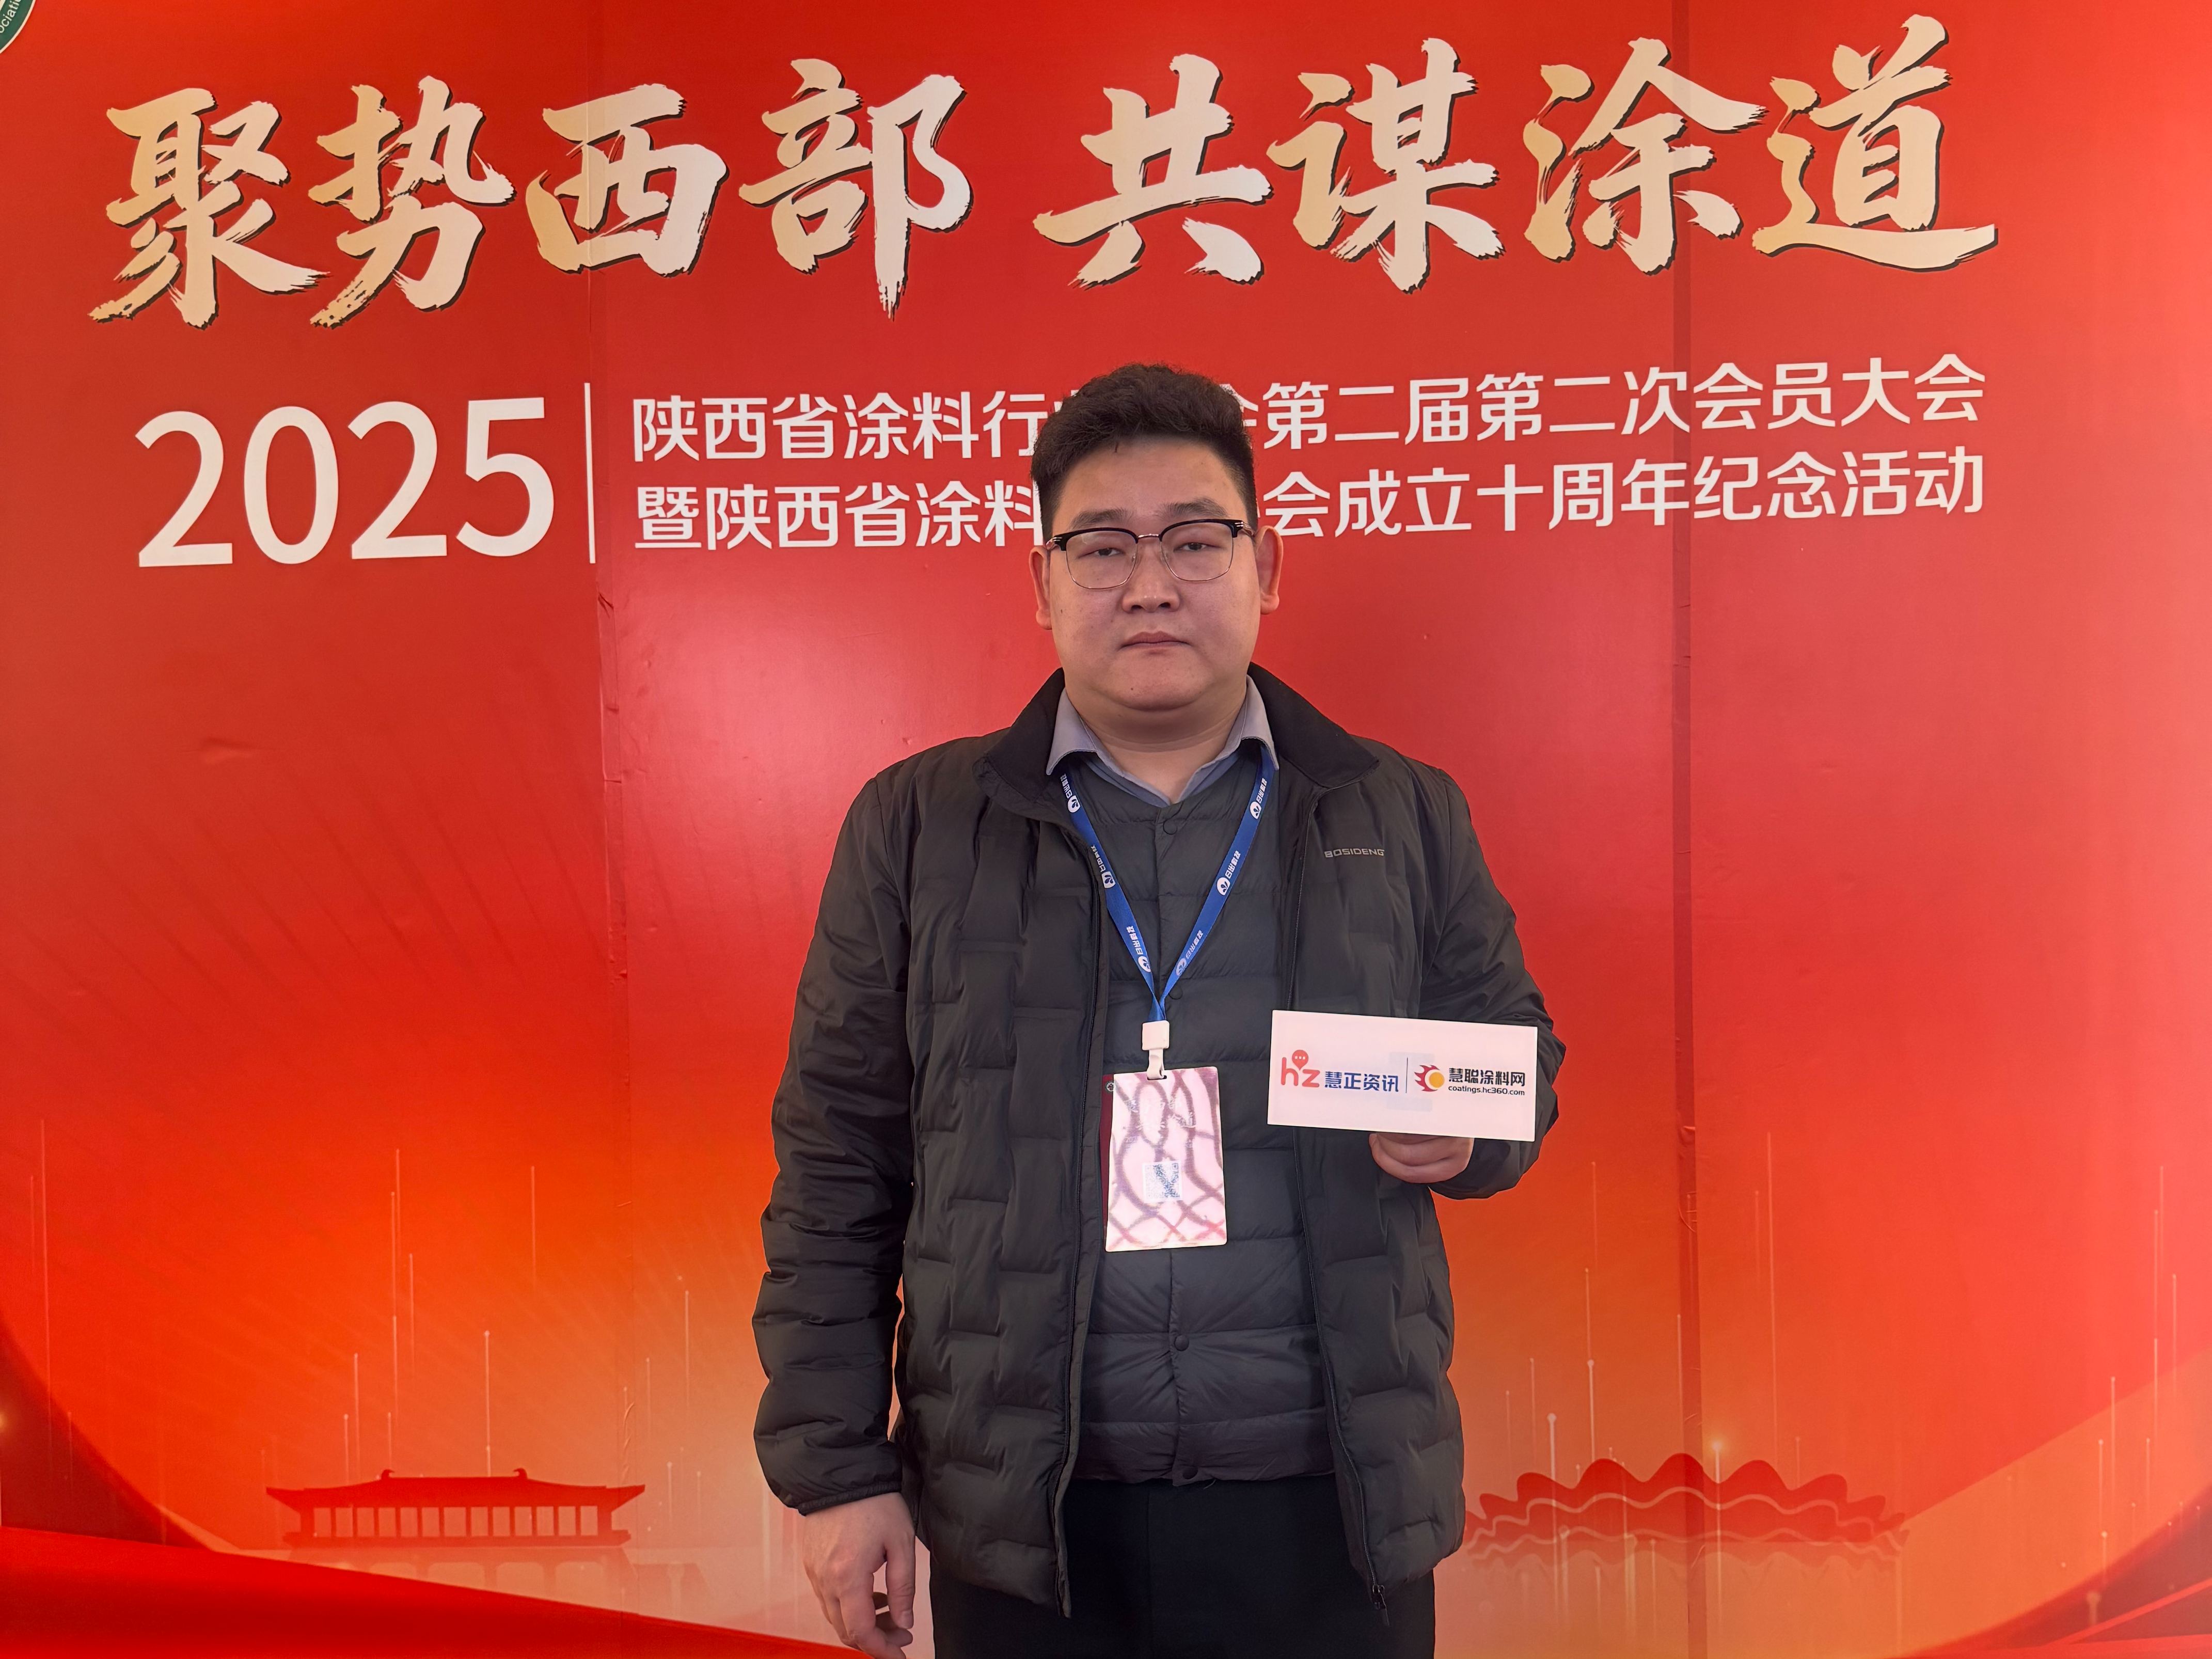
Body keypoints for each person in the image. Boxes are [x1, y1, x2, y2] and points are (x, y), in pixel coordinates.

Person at [754, 363, 1562, 1659]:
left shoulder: (1399, 808)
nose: (1149, 584)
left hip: (1329, 1504)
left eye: (1194, 540)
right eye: (1102, 547)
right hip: (1024, 1520)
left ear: (1266, 566)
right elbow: (837, 1162)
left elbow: (1519, 1058)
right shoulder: (917, 827)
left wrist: (1474, 1129)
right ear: (1040, 581)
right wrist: (839, 1470)